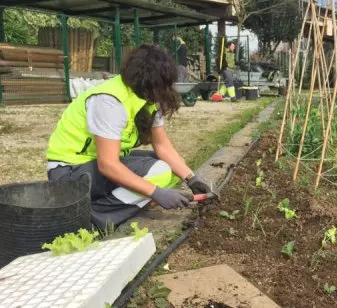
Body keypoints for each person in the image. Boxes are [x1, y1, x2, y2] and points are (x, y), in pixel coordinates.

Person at [46, 44, 212, 229]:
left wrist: (192, 179)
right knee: (159, 172)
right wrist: (156, 192)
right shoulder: (110, 101)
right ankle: (92, 220)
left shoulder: (147, 99)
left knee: (169, 168)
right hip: (69, 173)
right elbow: (108, 165)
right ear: (149, 81)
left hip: (93, 167)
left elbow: (163, 147)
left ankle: (119, 204)